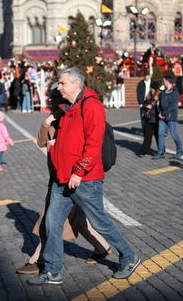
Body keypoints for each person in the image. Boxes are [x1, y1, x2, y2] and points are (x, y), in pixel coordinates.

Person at [28, 67, 140, 285]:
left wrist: (79, 171)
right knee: (52, 223)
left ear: (76, 84)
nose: (58, 87)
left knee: (100, 223)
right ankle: (52, 270)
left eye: (62, 83)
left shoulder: (91, 106)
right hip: (62, 179)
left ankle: (129, 256)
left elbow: (93, 145)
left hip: (84, 180)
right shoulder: (69, 106)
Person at [17, 91, 112, 275]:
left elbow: (87, 146)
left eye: (54, 100)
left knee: (50, 221)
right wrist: (46, 124)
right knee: (81, 222)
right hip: (58, 177)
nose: (52, 103)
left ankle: (39, 258)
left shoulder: (75, 117)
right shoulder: (54, 119)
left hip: (75, 179)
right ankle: (102, 247)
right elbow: (40, 141)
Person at [153, 73, 183, 159]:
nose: (163, 82)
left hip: (171, 116)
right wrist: (159, 112)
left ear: (168, 81)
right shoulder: (163, 92)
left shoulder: (174, 92)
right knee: (160, 133)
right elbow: (158, 104)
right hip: (162, 117)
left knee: (173, 133)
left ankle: (180, 150)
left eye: (164, 80)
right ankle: (160, 151)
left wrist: (163, 113)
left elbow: (174, 106)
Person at [138, 86, 160, 157]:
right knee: (147, 136)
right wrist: (146, 106)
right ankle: (144, 151)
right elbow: (143, 106)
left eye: (153, 88)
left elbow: (162, 106)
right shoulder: (148, 96)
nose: (151, 89)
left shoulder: (159, 95)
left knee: (158, 136)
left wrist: (157, 104)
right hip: (149, 119)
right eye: (151, 88)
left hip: (156, 119)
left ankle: (161, 150)